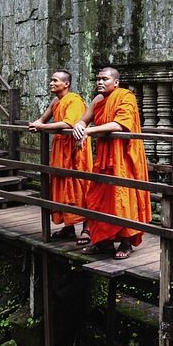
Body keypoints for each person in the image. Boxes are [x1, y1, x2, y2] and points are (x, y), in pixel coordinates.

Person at [72, 66, 151, 259]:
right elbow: (83, 120)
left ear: (116, 82)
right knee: (99, 199)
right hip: (104, 158)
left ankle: (126, 242)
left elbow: (120, 124)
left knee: (123, 198)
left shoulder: (126, 97)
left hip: (124, 157)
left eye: (105, 79)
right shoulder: (98, 100)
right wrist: (79, 127)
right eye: (98, 79)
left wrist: (89, 131)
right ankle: (103, 242)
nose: (100, 82)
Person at [27, 70, 92, 242]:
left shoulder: (74, 100)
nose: (51, 83)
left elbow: (68, 123)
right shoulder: (57, 100)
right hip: (60, 149)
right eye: (51, 80)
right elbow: (44, 118)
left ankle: (87, 228)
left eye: (55, 81)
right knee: (61, 185)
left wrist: (42, 127)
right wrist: (38, 123)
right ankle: (68, 227)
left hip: (75, 150)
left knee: (79, 185)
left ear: (66, 84)